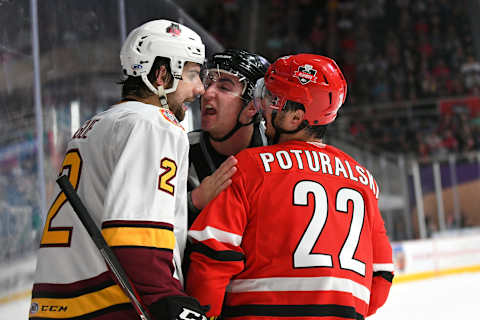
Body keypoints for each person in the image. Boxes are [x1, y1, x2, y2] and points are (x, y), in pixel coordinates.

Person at [186, 54, 394, 319]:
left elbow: (212, 255)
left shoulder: (249, 166)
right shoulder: (363, 179)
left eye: (273, 100)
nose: (263, 106)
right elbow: (382, 273)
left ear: (295, 118)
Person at [30, 20, 207, 320]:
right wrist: (167, 300)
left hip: (55, 305)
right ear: (161, 74)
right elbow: (137, 239)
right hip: (107, 306)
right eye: (192, 74)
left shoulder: (94, 126)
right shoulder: (155, 124)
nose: (200, 88)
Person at [187, 49, 270, 224]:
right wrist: (193, 200)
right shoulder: (181, 148)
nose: (206, 93)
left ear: (252, 107)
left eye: (224, 87)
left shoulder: (276, 154)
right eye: (207, 83)